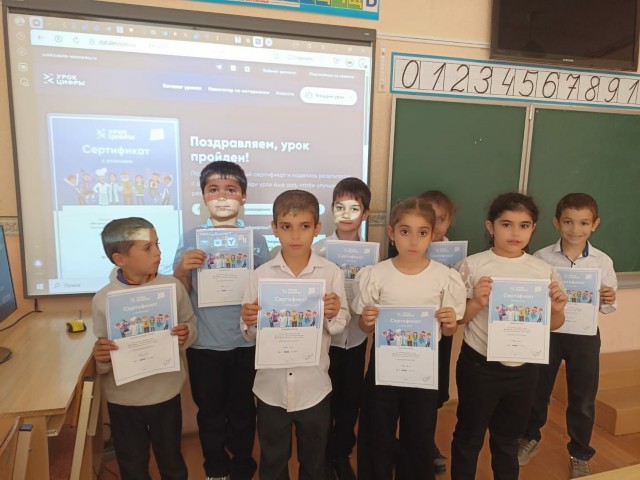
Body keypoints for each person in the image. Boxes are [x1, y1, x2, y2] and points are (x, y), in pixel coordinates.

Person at [451, 192, 567, 480]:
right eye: (506, 224)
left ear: (533, 228)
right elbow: (457, 318)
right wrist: (477, 302)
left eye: (524, 226)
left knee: (508, 440)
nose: (515, 233)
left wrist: (556, 310)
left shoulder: (543, 270)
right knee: (469, 436)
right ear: (491, 227)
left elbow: (553, 324)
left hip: (524, 370)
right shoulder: (472, 265)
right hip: (479, 366)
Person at [354, 196, 467, 480]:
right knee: (377, 433)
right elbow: (365, 326)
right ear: (392, 233)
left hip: (423, 373)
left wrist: (450, 324)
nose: (413, 241)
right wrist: (367, 320)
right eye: (405, 231)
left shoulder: (444, 277)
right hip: (383, 371)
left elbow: (449, 330)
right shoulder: (376, 274)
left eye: (422, 232)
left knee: (419, 436)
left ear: (432, 235)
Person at [240, 190, 349, 480]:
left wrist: (332, 312)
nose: (295, 235)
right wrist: (249, 321)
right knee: (273, 460)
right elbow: (250, 334)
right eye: (286, 226)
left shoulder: (330, 273)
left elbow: (339, 326)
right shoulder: (260, 275)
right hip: (271, 389)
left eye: (304, 226)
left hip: (314, 388)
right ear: (274, 228)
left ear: (317, 228)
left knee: (314, 460)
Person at [173, 161, 270, 480]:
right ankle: (214, 467)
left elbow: (266, 289)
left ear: (243, 196)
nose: (222, 196)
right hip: (204, 345)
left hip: (245, 342)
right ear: (203, 196)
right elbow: (180, 294)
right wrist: (182, 270)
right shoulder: (190, 238)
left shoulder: (256, 240)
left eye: (231, 189)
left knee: (243, 411)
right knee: (210, 412)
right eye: (213, 190)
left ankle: (243, 466)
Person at [518, 193, 617, 479]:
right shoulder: (541, 258)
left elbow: (608, 304)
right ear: (556, 222)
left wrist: (608, 298)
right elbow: (532, 298)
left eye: (584, 223)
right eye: (568, 221)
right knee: (538, 390)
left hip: (584, 337)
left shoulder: (602, 261)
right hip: (549, 332)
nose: (575, 229)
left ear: (595, 224)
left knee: (583, 398)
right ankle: (530, 437)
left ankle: (580, 454)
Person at [92, 217, 197, 480]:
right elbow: (103, 353)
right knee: (133, 464)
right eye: (147, 248)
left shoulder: (172, 287)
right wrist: (102, 358)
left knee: (172, 460)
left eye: (157, 244)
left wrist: (186, 334)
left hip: (165, 394)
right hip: (124, 401)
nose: (158, 252)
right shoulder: (103, 299)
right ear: (120, 259)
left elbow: (190, 324)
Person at [311, 177, 371, 480]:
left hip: (356, 339)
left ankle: (342, 455)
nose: (346, 214)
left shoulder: (373, 256)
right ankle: (322, 457)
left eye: (354, 208)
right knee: (325, 403)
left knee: (350, 402)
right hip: (325, 341)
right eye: (339, 207)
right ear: (332, 209)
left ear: (365, 213)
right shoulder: (317, 251)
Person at [418, 190, 458, 475]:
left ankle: (427, 444)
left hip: (441, 333)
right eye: (428, 219)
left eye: (441, 220)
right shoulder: (408, 246)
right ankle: (408, 442)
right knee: (408, 388)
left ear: (450, 221)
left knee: (433, 393)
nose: (434, 226)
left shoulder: (456, 256)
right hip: (413, 334)